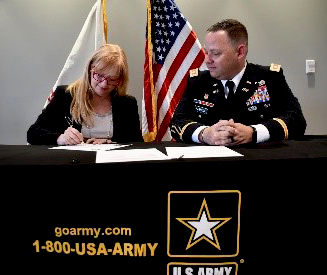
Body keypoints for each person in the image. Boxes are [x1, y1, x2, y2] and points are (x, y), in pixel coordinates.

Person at [170, 19, 306, 145]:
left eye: (215, 53)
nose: (207, 60)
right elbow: (177, 122)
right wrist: (204, 134)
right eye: (206, 52)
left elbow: (297, 120)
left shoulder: (269, 78)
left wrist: (254, 133)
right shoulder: (198, 81)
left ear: (240, 52)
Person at [27, 44, 143, 145]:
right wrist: (61, 138)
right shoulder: (66, 95)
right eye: (99, 76)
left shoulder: (127, 103)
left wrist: (111, 144)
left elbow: (137, 142)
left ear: (120, 80)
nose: (104, 84)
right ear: (89, 70)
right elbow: (33, 133)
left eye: (112, 79)